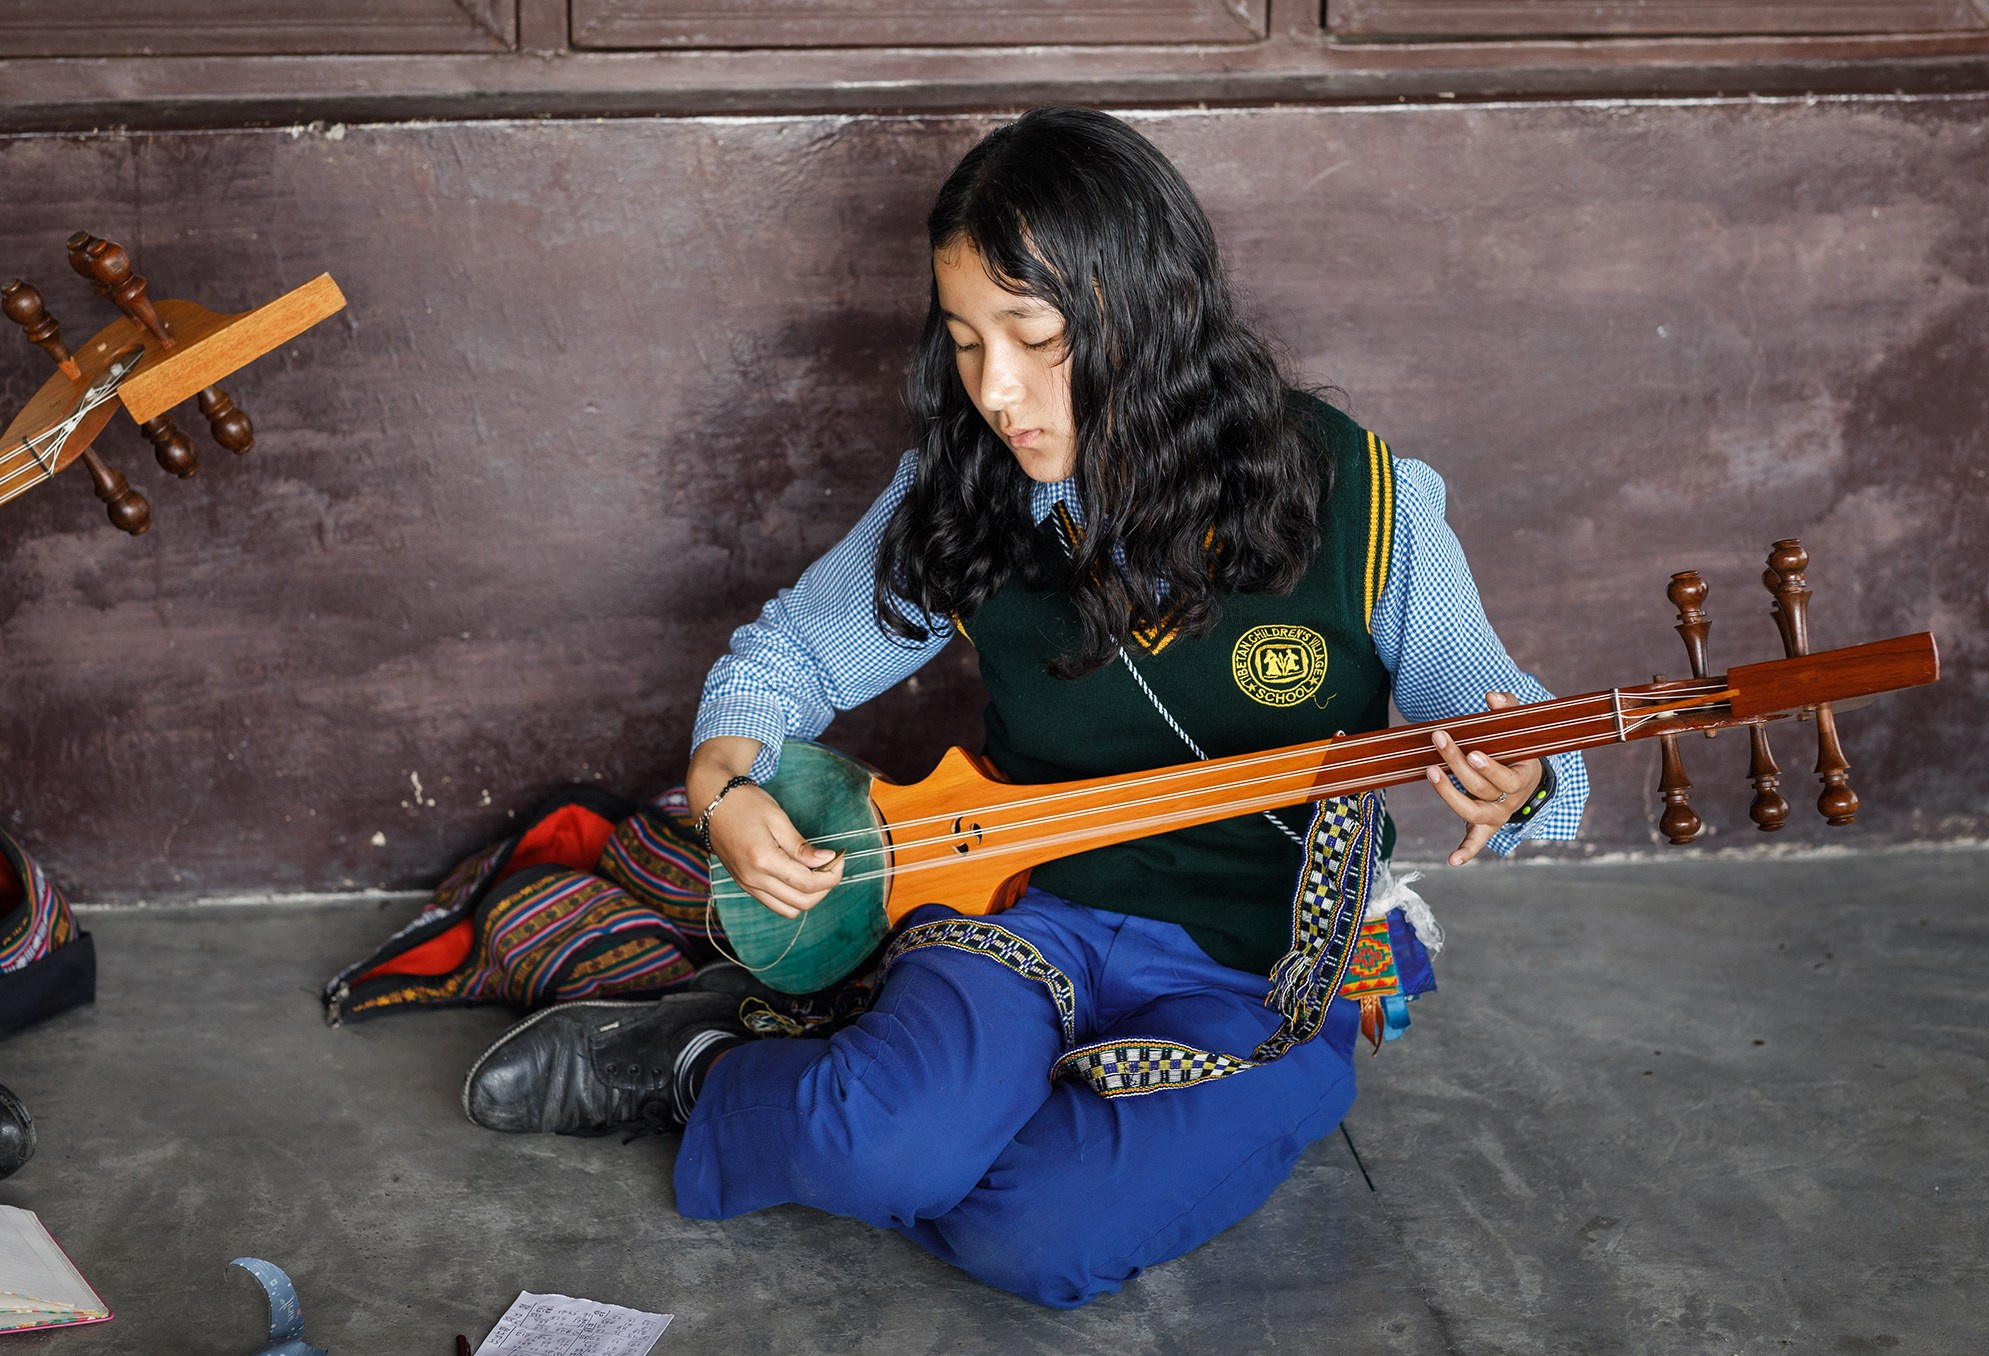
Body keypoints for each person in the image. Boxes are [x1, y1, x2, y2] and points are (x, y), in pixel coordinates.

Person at [463, 106, 1587, 1307]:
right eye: (963, 343)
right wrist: (723, 783)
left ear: (1148, 317)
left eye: (1034, 336)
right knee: (878, 1148)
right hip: (1024, 911)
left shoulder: (1363, 502)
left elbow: (1504, 725)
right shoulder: (968, 493)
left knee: (1035, 1242)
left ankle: (935, 1099)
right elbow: (787, 655)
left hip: (1256, 974)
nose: (996, 391)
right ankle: (701, 1069)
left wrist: (1518, 780)